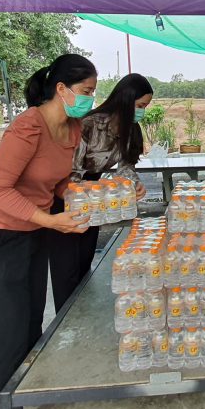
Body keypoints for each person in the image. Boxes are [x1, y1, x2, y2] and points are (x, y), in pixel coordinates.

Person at [0, 54, 97, 409]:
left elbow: (58, 183)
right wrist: (50, 220)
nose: (90, 99)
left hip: (34, 235)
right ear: (61, 89)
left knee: (30, 327)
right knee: (9, 336)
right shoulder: (28, 127)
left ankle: (20, 403)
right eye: (86, 91)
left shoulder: (72, 128)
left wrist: (94, 195)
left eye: (93, 92)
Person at [48, 73, 153, 311]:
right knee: (66, 266)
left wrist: (133, 184)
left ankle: (81, 311)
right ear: (125, 99)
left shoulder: (130, 129)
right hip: (67, 194)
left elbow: (125, 167)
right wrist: (85, 195)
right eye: (139, 105)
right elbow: (71, 170)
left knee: (85, 259)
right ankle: (66, 317)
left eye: (145, 107)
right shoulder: (89, 124)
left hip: (93, 198)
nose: (141, 112)